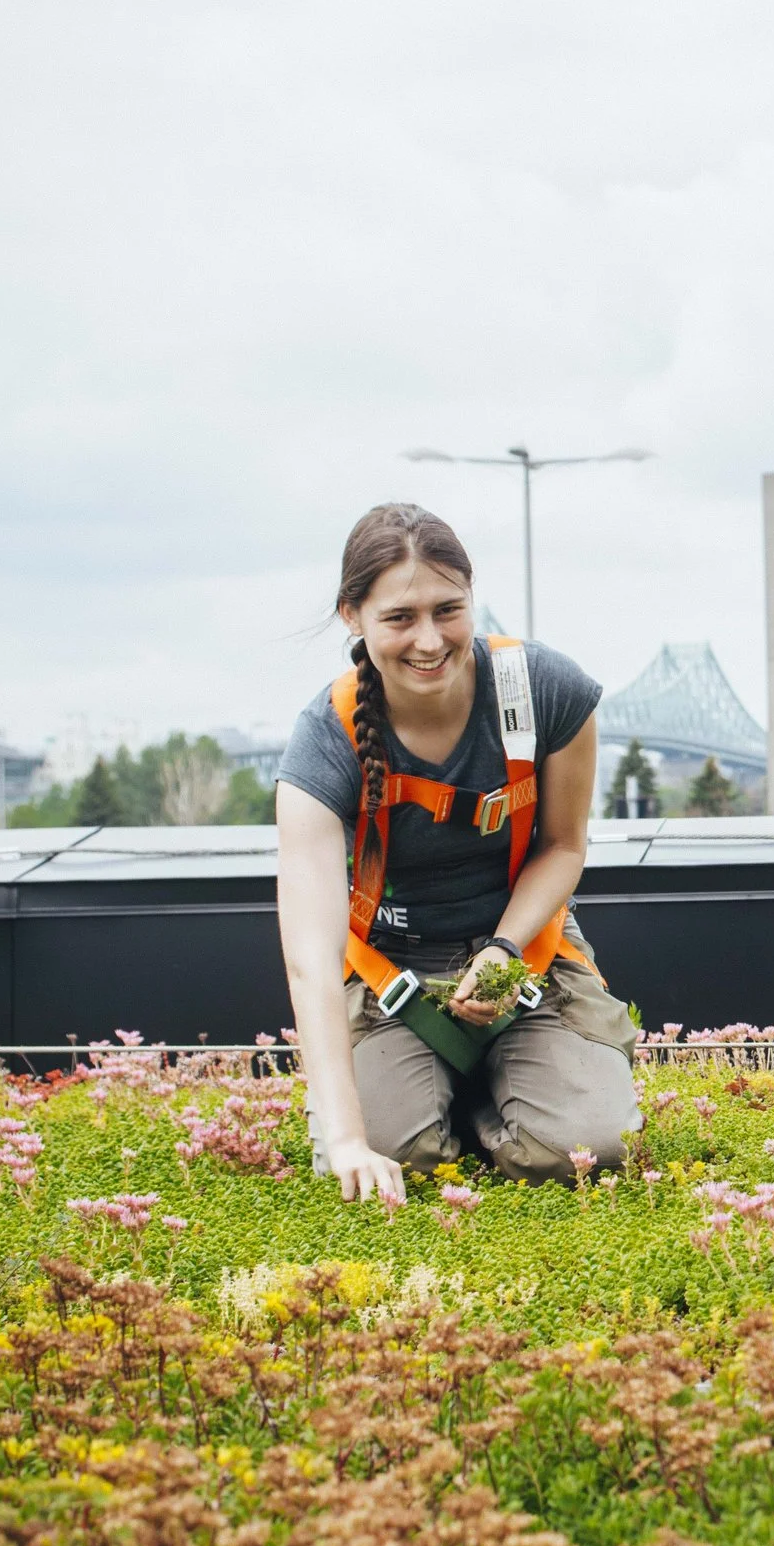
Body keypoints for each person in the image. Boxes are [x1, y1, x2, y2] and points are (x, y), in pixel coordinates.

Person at [274, 503, 638, 1205]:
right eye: (399, 617)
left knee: (588, 1149)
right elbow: (310, 959)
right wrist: (347, 1142)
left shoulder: (546, 691)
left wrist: (503, 948)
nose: (429, 640)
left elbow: (563, 846)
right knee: (391, 1154)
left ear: (473, 596)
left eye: (449, 609)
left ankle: (502, 1079)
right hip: (389, 978)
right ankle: (455, 1088)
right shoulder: (324, 740)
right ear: (352, 615)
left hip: (525, 954)